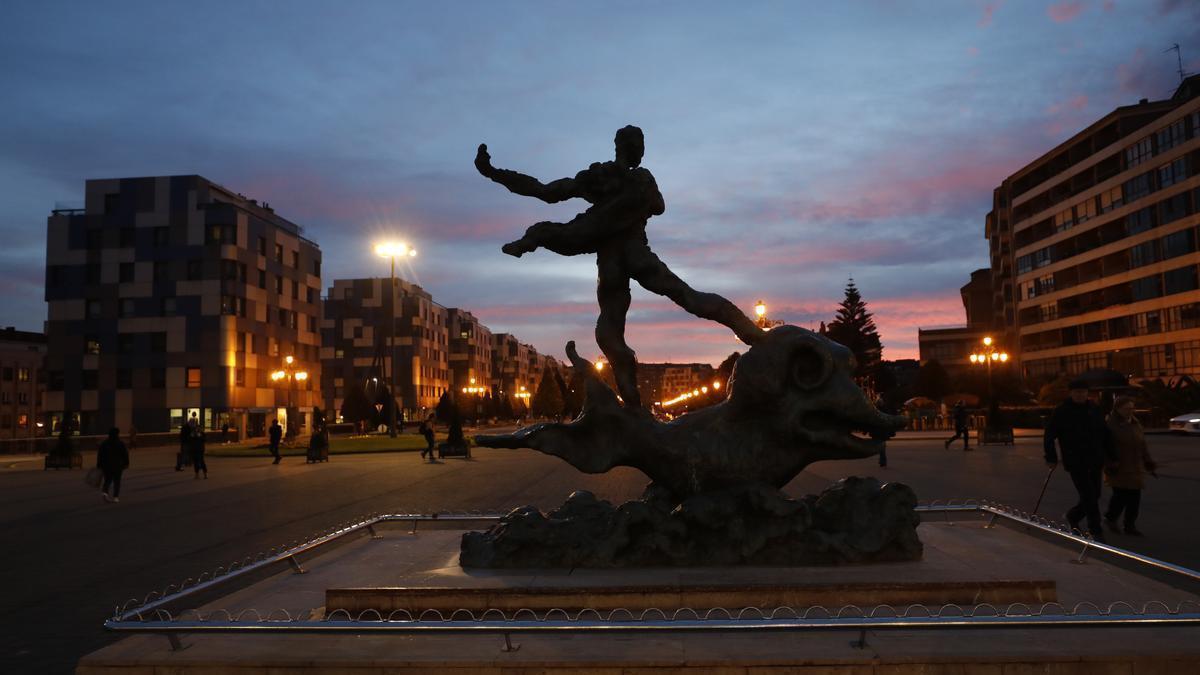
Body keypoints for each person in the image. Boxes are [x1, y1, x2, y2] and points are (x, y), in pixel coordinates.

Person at [477, 127, 764, 407]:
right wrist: (494, 173)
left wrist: (494, 174)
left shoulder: (610, 177)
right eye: (639, 146)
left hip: (615, 256)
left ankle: (635, 404)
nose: (640, 152)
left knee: (613, 328)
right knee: (666, 305)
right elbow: (655, 205)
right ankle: (636, 406)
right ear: (634, 149)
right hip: (625, 254)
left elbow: (546, 191)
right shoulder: (625, 178)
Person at [1044, 379, 1114, 542]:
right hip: (1075, 460)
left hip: (1095, 459)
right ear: (1071, 393)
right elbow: (1049, 435)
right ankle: (1095, 529)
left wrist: (1112, 455)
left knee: (1095, 493)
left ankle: (1073, 516)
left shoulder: (1094, 409)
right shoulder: (1062, 411)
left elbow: (1105, 433)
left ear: (1087, 393)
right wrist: (1051, 457)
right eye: (1077, 392)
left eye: (1083, 392)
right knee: (1088, 494)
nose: (1080, 395)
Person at [1103, 396, 1157, 536]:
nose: (1129, 411)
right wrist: (1110, 463)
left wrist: (1148, 461)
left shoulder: (1135, 423)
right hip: (1118, 467)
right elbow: (1104, 447)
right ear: (1118, 409)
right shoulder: (1110, 425)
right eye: (1126, 408)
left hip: (1135, 467)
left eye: (1131, 408)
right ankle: (1110, 518)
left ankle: (1129, 525)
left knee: (1134, 498)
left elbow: (1142, 445)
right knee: (1120, 496)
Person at [97, 427, 129, 503]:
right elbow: (125, 454)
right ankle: (115, 497)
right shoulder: (120, 443)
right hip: (118, 465)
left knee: (107, 480)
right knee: (117, 481)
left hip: (106, 465)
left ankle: (105, 493)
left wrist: (99, 464)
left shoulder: (104, 443)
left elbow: (100, 455)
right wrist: (126, 463)